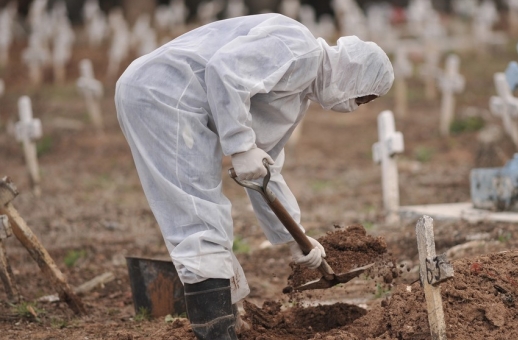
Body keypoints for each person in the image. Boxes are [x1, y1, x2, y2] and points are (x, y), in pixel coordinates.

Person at [115, 13, 393, 340]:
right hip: (164, 91)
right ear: (354, 73)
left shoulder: (296, 97)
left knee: (205, 220)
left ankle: (232, 322)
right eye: (361, 97)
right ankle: (217, 332)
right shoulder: (298, 46)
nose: (353, 106)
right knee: (197, 218)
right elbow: (224, 71)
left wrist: (295, 236)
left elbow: (265, 170)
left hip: (175, 101)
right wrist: (240, 143)